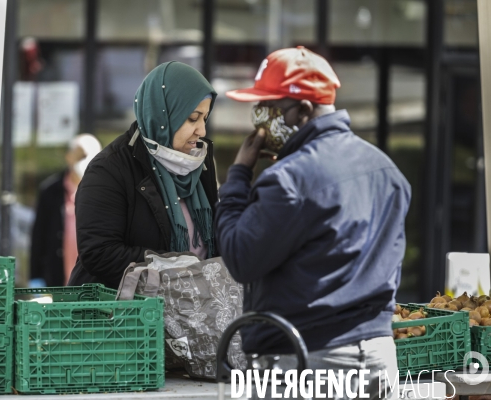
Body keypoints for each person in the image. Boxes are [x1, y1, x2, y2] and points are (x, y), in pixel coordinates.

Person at [215, 47, 411, 399]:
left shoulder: (289, 179)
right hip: (380, 360)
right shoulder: (388, 172)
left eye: (269, 109)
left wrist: (239, 177)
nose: (260, 121)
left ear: (304, 110)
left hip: (309, 364)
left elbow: (239, 256)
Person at [68, 61, 219, 288]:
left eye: (204, 118)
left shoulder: (200, 162)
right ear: (164, 115)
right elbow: (99, 253)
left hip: (190, 312)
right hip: (124, 317)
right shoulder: (109, 169)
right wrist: (173, 266)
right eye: (192, 118)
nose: (202, 130)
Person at [29, 134, 102, 287]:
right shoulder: (50, 191)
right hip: (56, 281)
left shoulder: (104, 191)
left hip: (93, 285)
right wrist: (35, 276)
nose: (86, 160)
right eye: (81, 155)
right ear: (69, 157)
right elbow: (38, 236)